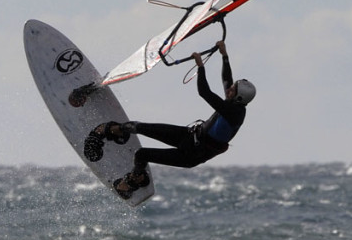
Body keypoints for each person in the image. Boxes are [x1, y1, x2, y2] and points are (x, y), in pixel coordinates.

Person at [85, 40, 256, 199]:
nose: (229, 90)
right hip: (188, 136)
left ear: (239, 98)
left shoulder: (234, 113)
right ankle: (112, 131)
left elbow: (204, 92)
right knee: (139, 126)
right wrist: (224, 55)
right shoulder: (233, 102)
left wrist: (200, 67)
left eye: (233, 90)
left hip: (190, 155)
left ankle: (135, 180)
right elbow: (227, 80)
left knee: (141, 154)